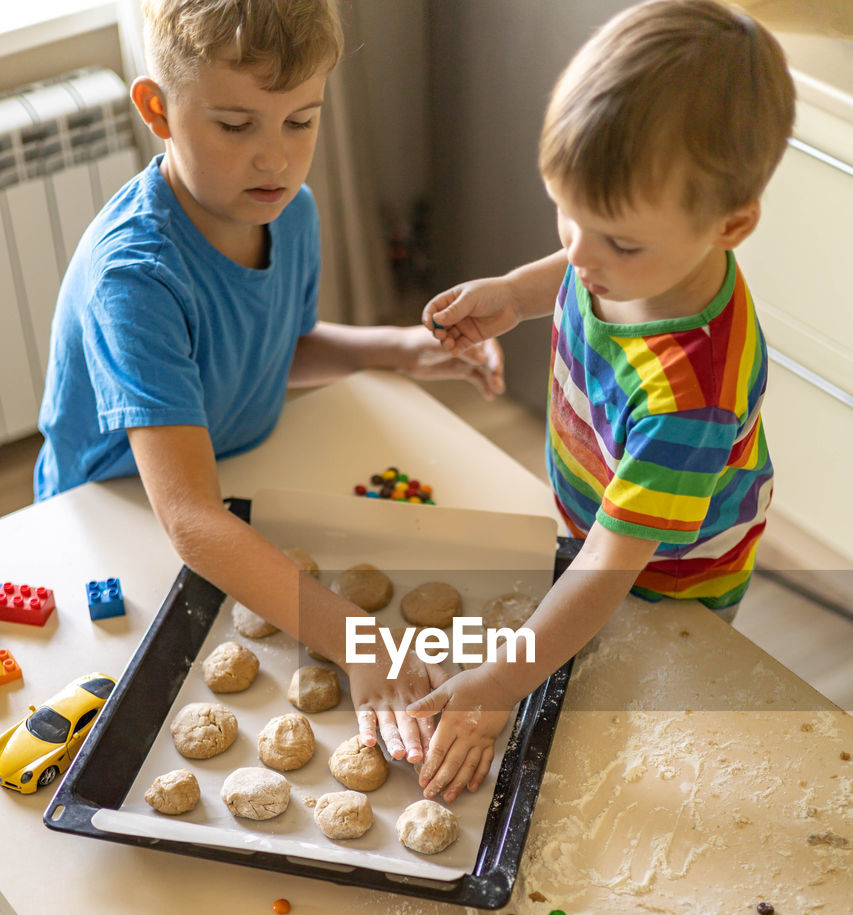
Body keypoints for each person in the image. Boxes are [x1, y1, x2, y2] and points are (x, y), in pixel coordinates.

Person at [34, 0, 503, 766]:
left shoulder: (290, 212)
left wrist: (400, 349)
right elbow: (187, 519)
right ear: (157, 108)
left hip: (238, 480)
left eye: (300, 121)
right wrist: (359, 641)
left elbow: (268, 350)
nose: (275, 160)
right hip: (117, 517)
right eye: (235, 124)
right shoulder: (135, 277)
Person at [409, 0, 795, 802]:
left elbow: (606, 574)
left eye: (615, 239)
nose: (580, 257)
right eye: (568, 217)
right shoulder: (633, 259)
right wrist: (518, 294)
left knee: (620, 724)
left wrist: (494, 686)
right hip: (597, 520)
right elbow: (583, 255)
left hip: (667, 582)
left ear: (733, 224)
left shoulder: (690, 401)